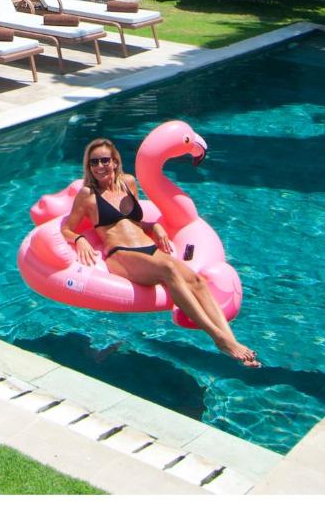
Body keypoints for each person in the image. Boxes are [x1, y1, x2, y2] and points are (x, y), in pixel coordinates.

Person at [61, 138, 260, 367]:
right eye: (94, 162)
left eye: (105, 160)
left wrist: (153, 226)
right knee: (168, 269)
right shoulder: (88, 194)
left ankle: (232, 340)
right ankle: (220, 340)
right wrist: (79, 240)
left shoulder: (128, 183)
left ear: (115, 162)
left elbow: (133, 221)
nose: (100, 166)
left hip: (148, 248)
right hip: (121, 253)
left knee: (196, 280)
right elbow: (67, 228)